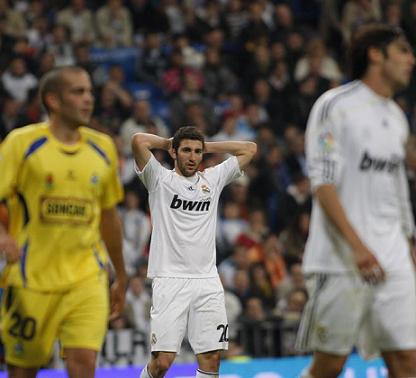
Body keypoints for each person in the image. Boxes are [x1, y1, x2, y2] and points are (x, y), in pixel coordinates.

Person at [296, 24, 416, 378]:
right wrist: (358, 247)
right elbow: (323, 183)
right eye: (404, 51)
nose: (412, 59)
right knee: (330, 365)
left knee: (408, 361)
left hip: (392, 256)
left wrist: (409, 241)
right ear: (376, 54)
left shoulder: (396, 117)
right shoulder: (335, 106)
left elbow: (397, 187)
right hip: (341, 259)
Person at [0, 66, 127, 377]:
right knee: (22, 370)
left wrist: (121, 274)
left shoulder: (103, 147)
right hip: (32, 277)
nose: (89, 100)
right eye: (78, 92)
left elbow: (108, 217)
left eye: (90, 92)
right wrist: (3, 235)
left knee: (84, 362)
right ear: (53, 100)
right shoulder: (22, 143)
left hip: (87, 275)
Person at [131, 126, 257, 378]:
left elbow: (249, 149)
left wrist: (208, 146)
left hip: (207, 280)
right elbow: (138, 140)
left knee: (211, 359)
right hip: (169, 279)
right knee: (163, 362)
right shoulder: (159, 179)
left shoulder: (213, 178)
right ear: (175, 153)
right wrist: (168, 142)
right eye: (186, 150)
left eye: (197, 152)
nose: (192, 156)